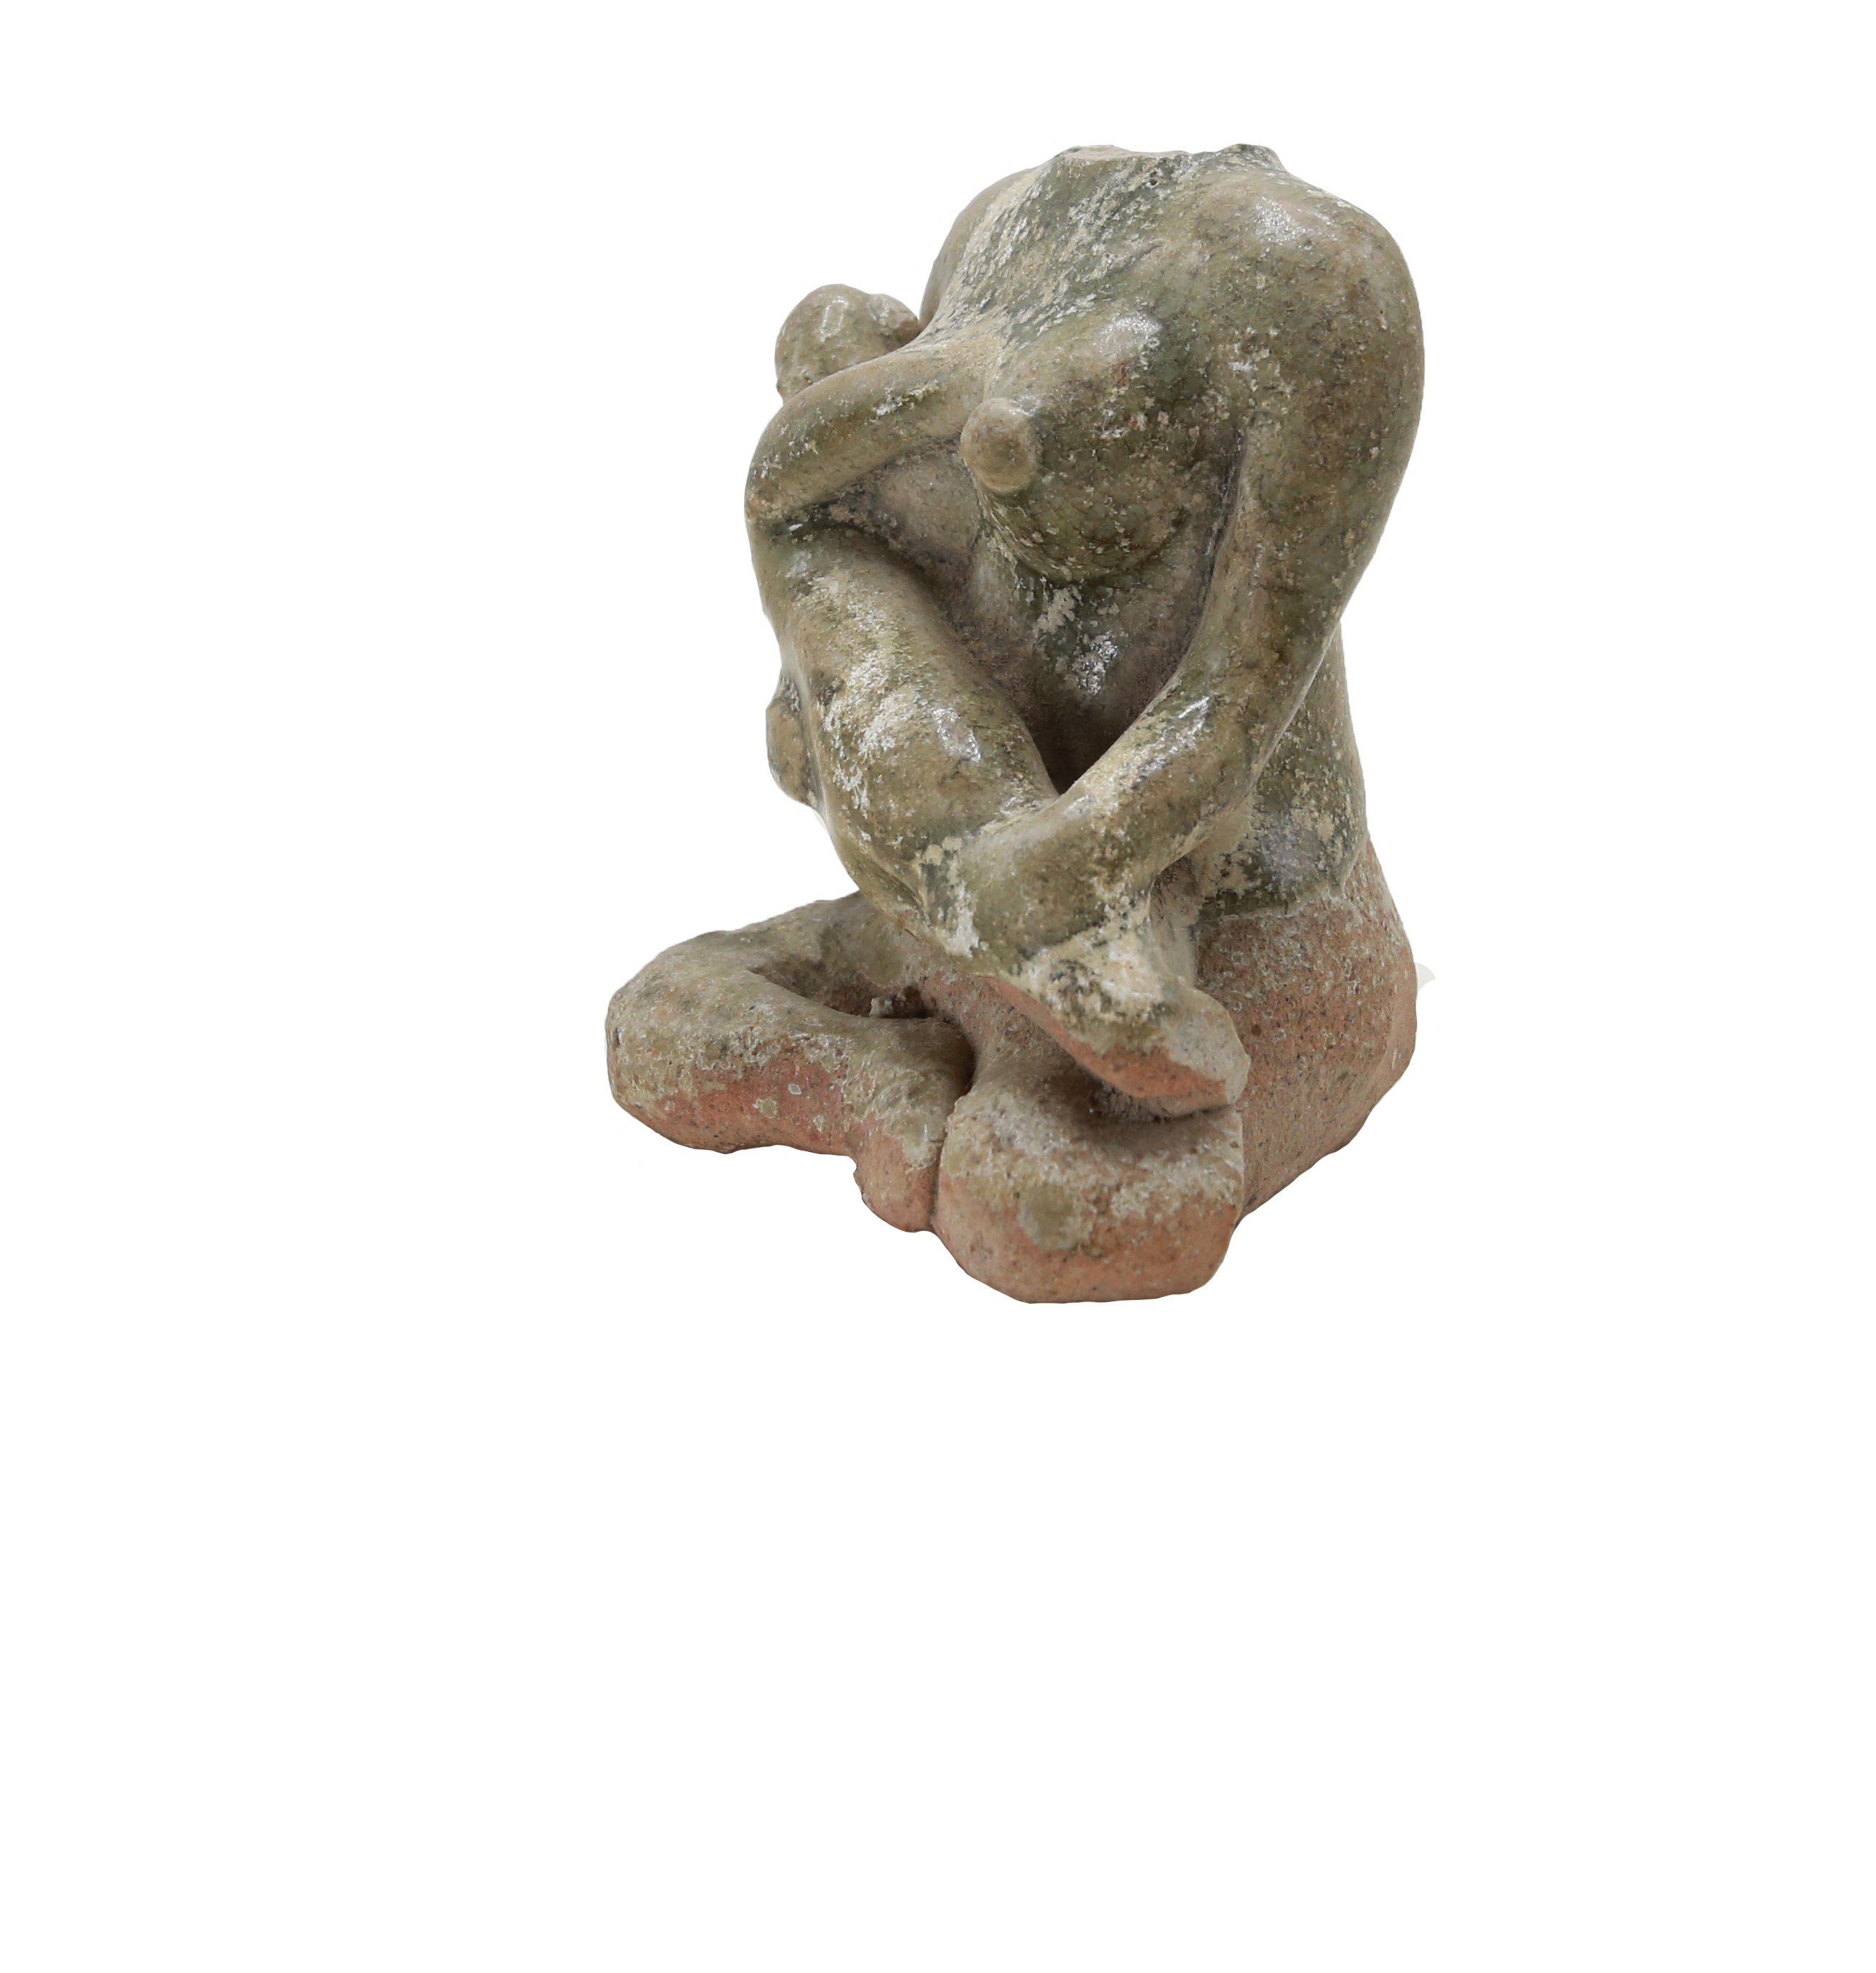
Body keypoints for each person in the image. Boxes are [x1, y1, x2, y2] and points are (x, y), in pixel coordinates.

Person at [610, 144, 1424, 1300]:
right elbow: (798, 543)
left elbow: (1223, 720)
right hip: (980, 901)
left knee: (1051, 1209)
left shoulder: (1313, 290)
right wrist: (963, 892)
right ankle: (885, 1078)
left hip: (1225, 922)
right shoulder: (997, 241)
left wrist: (1044, 883)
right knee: (657, 1022)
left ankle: (1014, 1031)